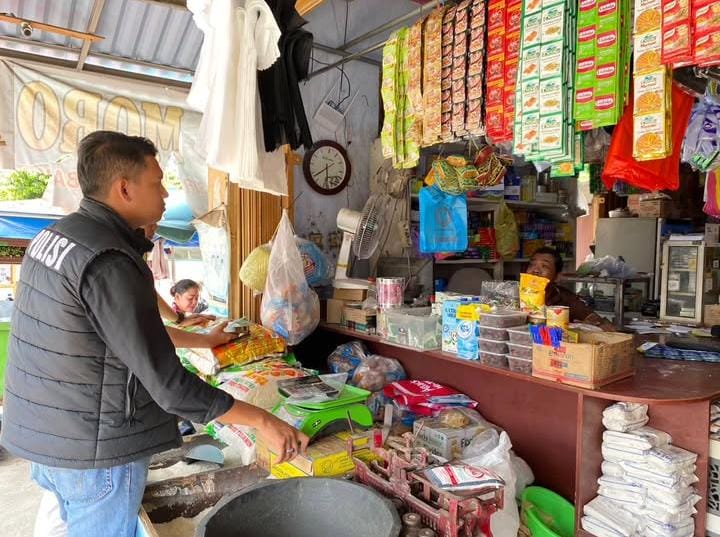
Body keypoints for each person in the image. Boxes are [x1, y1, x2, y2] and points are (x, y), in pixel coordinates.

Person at [0, 131, 308, 537]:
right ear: (124, 188)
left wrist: (203, 340)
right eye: (157, 182)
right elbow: (171, 388)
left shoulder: (57, 236)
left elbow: (109, 335)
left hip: (48, 434)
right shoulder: (109, 260)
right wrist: (262, 420)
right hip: (96, 450)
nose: (165, 194)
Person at [527, 246, 615, 331]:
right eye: (532, 265)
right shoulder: (519, 297)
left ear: (557, 277)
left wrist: (591, 324)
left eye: (544, 266)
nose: (535, 270)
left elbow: (592, 317)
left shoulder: (564, 297)